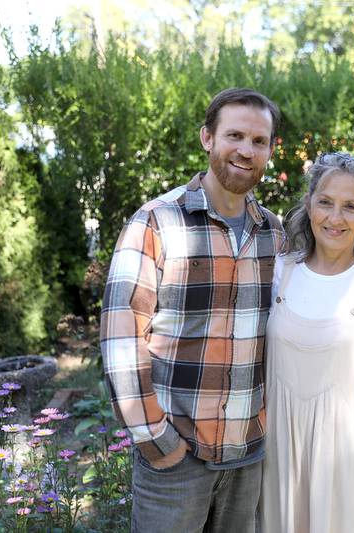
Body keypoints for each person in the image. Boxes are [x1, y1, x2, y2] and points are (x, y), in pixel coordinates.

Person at [100, 88, 284, 532]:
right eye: (234, 135)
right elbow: (121, 339)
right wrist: (157, 440)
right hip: (177, 462)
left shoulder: (275, 235)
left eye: (259, 141)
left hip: (249, 456)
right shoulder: (157, 222)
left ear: (270, 151)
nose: (246, 150)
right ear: (207, 138)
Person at [261, 152, 354, 532]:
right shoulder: (279, 272)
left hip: (350, 455)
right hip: (279, 450)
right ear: (309, 204)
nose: (335, 218)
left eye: (350, 206)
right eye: (325, 202)